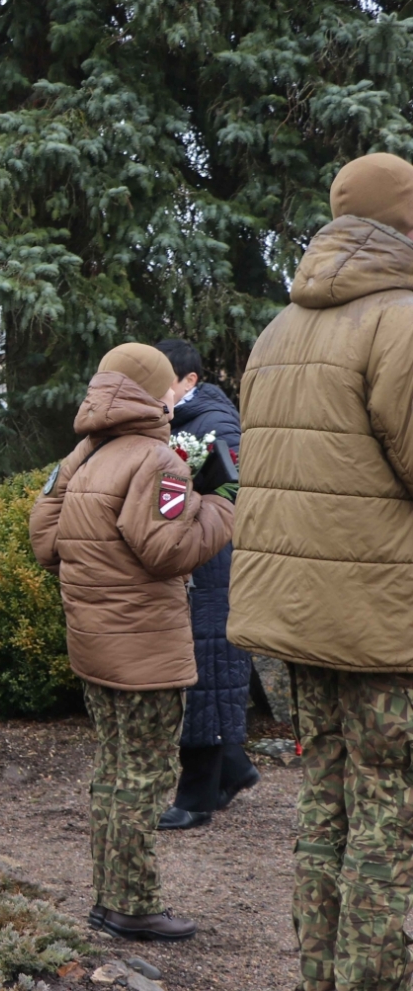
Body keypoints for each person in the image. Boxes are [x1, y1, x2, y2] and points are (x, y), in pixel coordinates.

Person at [229, 152, 413, 990]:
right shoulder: (401, 321)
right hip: (385, 619)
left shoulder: (278, 331)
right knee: (387, 811)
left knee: (324, 801)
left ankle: (320, 973)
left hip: (300, 617)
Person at [29, 342, 235, 942]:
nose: (176, 395)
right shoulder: (159, 460)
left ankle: (108, 897)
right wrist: (220, 501)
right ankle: (134, 905)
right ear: (151, 391)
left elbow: (45, 540)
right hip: (147, 652)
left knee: (113, 772)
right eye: (169, 386)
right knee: (143, 778)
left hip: (94, 644)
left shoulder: (82, 455)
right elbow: (169, 549)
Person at [149, 340, 261, 831]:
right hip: (186, 563)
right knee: (206, 674)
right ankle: (233, 770)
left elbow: (236, 492)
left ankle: (196, 797)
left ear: (189, 381)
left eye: (162, 383)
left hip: (211, 564)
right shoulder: (172, 424)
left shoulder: (215, 424)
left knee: (206, 674)